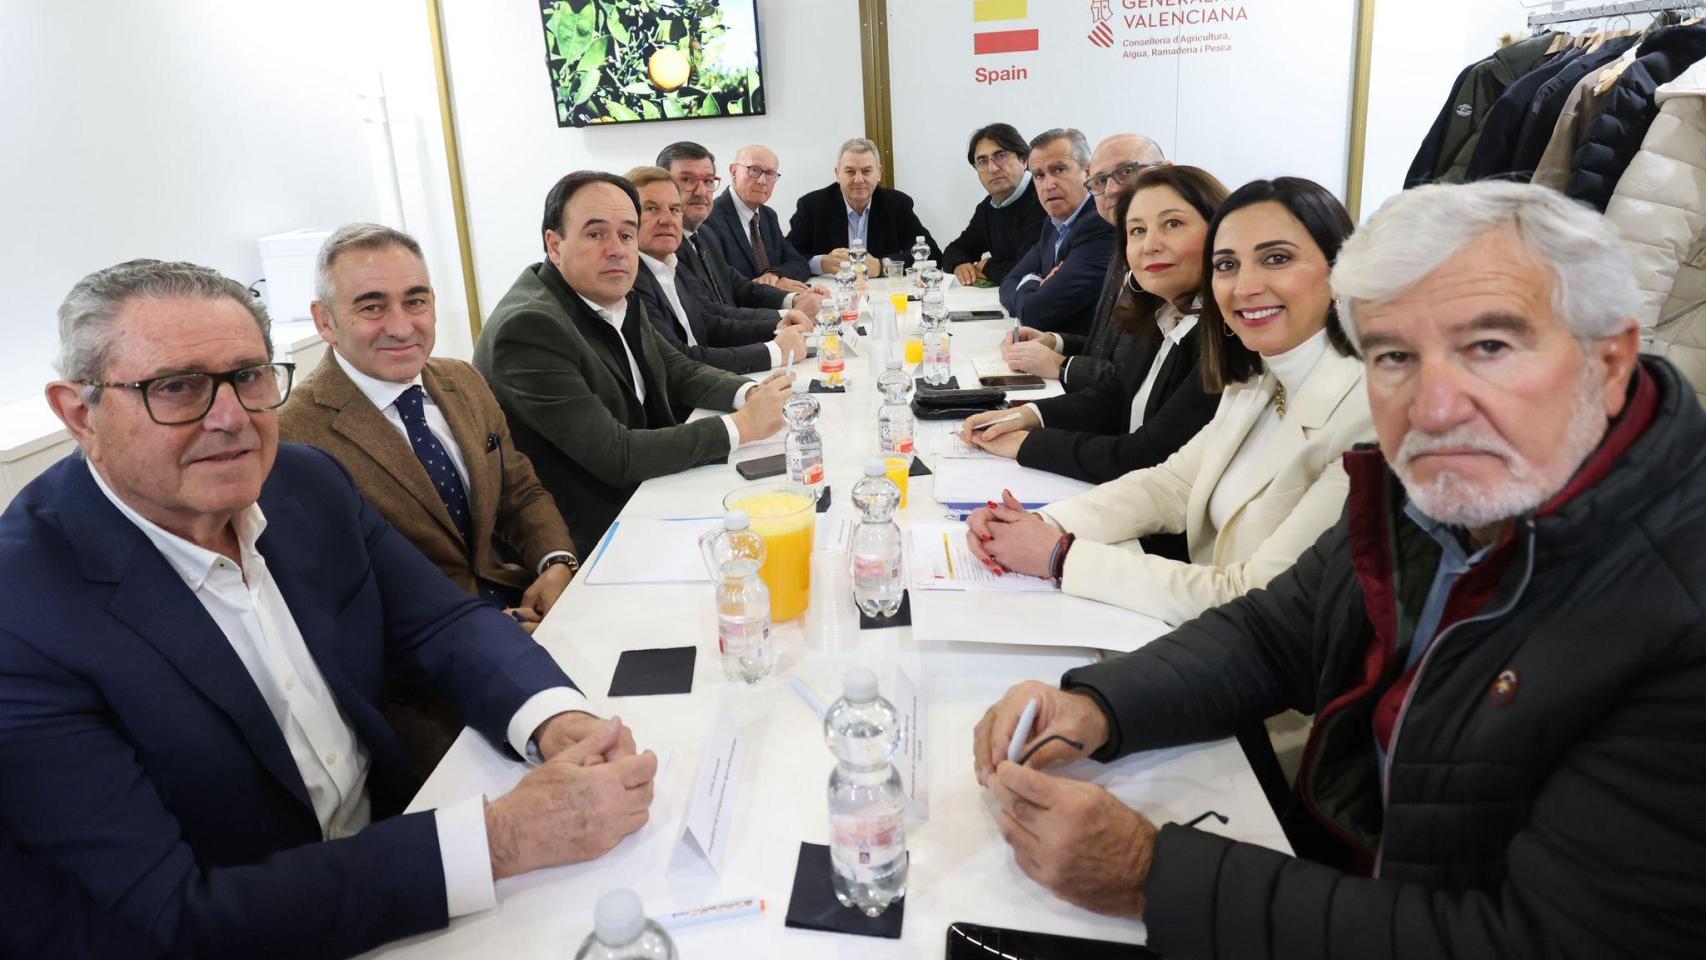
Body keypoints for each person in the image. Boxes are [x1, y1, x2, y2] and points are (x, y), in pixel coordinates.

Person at [970, 181, 1706, 959]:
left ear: (1613, 359)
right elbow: (1273, 632)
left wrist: (1152, 875)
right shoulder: (1428, 484)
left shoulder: (1675, 611)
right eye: (1394, 356)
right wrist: (1098, 706)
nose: (1435, 405)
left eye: (1489, 346)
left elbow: (1535, 941)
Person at [0, 259, 657, 957]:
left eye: (249, 376)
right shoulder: (23, 614)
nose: (231, 420)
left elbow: (441, 620)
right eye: (177, 388)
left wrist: (557, 720)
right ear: (80, 414)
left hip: (406, 846)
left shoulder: (303, 481)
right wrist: (499, 841)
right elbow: (175, 916)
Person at [967, 178, 1371, 627]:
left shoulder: (1366, 420)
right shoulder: (1259, 374)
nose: (1245, 286)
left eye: (1276, 259)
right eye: (1227, 265)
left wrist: (1061, 557)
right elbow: (1171, 485)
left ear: (1342, 269)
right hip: (1197, 631)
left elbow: (1255, 598)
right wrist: (1046, 525)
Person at [279, 223, 584, 772]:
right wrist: (495, 633)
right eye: (371, 307)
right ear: (325, 321)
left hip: (531, 618)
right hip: (420, 691)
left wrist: (557, 562)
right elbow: (335, 610)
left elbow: (519, 488)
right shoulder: (291, 437)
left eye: (415, 301)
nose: (402, 326)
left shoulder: (462, 381)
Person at [475, 171, 793, 555]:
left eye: (626, 235)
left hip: (648, 492)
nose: (617, 249)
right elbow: (616, 454)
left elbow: (678, 368)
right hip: (594, 535)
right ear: (554, 245)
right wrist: (741, 426)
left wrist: (754, 393)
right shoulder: (529, 328)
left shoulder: (609, 292)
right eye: (596, 234)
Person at [960, 167, 1227, 505]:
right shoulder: (1164, 311)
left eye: (1172, 224)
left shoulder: (1222, 337)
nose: (1150, 245)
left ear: (1221, 231)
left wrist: (1028, 444)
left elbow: (1146, 455)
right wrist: (1030, 414)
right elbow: (1117, 395)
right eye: (1137, 231)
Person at [1002, 133, 1169, 388]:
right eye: (1101, 180)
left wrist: (1061, 364)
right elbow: (1109, 349)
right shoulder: (1057, 222)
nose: (1112, 189)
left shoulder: (1104, 231)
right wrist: (1055, 341)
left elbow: (1131, 380)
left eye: (1126, 171)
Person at [624, 166, 810, 378]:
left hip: (711, 381)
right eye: (652, 209)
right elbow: (680, 360)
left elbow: (707, 322)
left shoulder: (671, 261)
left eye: (675, 209)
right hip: (690, 400)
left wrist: (779, 324)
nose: (667, 219)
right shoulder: (630, 280)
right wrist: (775, 351)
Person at [654, 141, 826, 319]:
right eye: (687, 180)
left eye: (708, 181)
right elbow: (713, 315)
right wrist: (784, 316)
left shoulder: (707, 233)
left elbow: (794, 262)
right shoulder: (704, 224)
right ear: (734, 172)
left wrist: (790, 295)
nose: (701, 191)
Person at [998, 128, 1118, 336]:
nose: (1048, 185)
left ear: (1087, 172)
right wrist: (1036, 285)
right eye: (1039, 175)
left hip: (1082, 356)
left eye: (1059, 170)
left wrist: (1028, 285)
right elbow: (1008, 282)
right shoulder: (1053, 223)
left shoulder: (1100, 225)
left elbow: (1036, 312)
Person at [786, 137, 939, 275]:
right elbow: (786, 256)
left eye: (866, 171)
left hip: (883, 295)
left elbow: (931, 252)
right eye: (850, 171)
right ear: (837, 173)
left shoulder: (896, 204)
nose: (858, 179)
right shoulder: (812, 206)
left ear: (878, 173)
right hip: (831, 295)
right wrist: (821, 264)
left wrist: (882, 266)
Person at [939, 122, 1049, 286]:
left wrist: (988, 266)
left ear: (1024, 160)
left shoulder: (1043, 197)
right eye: (982, 161)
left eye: (1001, 156)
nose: (992, 168)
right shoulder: (989, 207)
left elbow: (1030, 270)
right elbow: (954, 250)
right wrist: (960, 264)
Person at [702, 144, 813, 284]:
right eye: (754, 170)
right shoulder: (709, 219)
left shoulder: (768, 216)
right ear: (734, 172)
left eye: (770, 174)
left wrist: (775, 275)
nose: (762, 181)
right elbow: (722, 285)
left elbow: (799, 263)